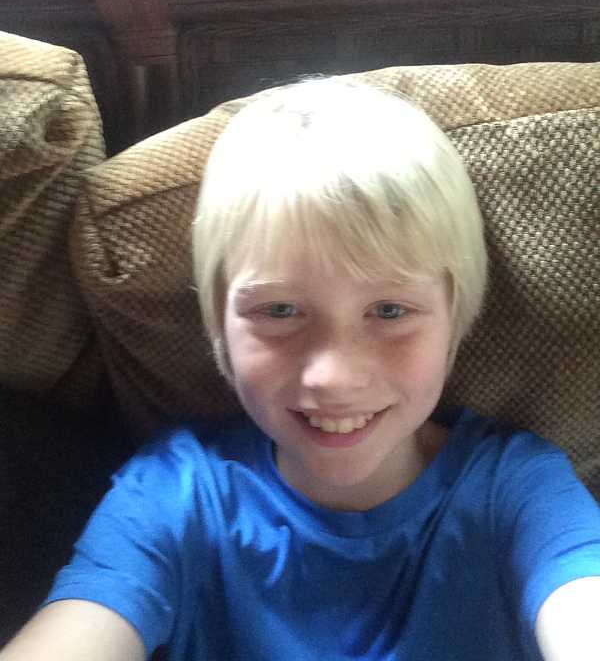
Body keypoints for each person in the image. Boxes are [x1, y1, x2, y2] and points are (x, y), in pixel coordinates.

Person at [2, 79, 600, 661]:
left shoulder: (518, 491)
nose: (332, 377)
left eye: (390, 311)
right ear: (219, 321)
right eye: (280, 311)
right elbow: (87, 619)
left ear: (455, 317)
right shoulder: (178, 493)